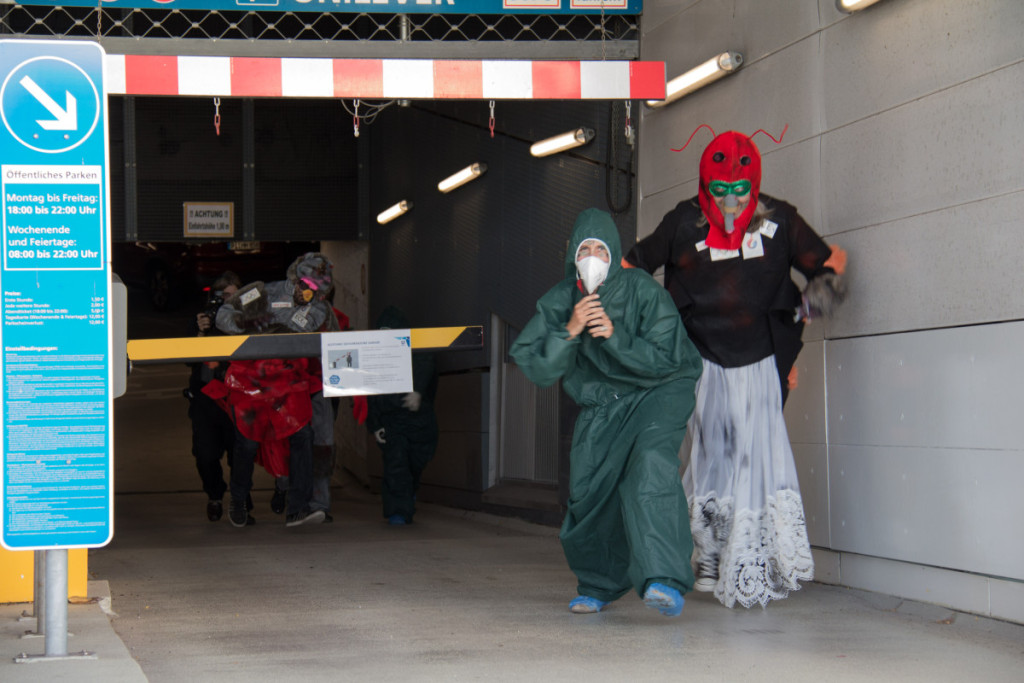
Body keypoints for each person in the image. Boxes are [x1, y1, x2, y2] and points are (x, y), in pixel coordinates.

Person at [624, 126, 847, 608]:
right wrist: (642, 325)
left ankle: (752, 558)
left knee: (757, 452)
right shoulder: (683, 222)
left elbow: (831, 264)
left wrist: (811, 305)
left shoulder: (780, 220)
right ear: (705, 186)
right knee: (713, 452)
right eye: (720, 191)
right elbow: (633, 264)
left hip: (763, 359)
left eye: (740, 191)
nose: (729, 202)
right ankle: (709, 551)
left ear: (755, 186)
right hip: (700, 358)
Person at [510, 208, 703, 617]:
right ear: (572, 256)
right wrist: (572, 329)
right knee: (588, 489)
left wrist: (615, 337)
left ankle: (664, 579)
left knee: (649, 466)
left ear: (614, 252)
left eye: (601, 248)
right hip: (603, 406)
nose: (594, 256)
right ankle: (598, 583)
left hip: (657, 391)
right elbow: (536, 365)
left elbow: (668, 358)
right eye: (585, 249)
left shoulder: (642, 290)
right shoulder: (562, 300)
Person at [213, 252, 341, 527]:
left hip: (288, 381)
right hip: (251, 379)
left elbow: (333, 343)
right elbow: (223, 315)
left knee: (304, 436)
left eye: (316, 289)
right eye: (304, 284)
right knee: (247, 443)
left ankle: (299, 508)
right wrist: (242, 323)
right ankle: (238, 501)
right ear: (294, 278)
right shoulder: (261, 293)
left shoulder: (319, 308)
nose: (307, 292)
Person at [366, 306, 439, 526]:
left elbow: (429, 373)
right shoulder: (374, 358)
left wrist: (418, 391)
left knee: (415, 463)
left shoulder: (419, 353)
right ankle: (398, 510)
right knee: (396, 465)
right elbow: (370, 393)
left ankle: (406, 496)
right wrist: (375, 424)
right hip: (391, 420)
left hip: (419, 421)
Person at [186, 271, 242, 522]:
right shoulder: (203, 321)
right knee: (205, 454)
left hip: (238, 397)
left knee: (240, 453)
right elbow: (187, 359)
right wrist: (200, 332)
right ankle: (215, 495)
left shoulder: (247, 321)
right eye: (222, 296)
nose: (226, 301)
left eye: (232, 295)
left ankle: (241, 500)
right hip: (206, 400)